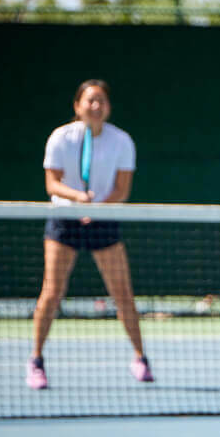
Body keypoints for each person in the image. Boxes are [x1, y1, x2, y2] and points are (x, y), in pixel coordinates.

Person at [27, 79, 153, 390]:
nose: (96, 106)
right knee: (52, 292)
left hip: (103, 218)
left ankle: (140, 358)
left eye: (101, 101)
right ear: (77, 106)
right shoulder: (60, 138)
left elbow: (122, 190)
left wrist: (95, 206)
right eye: (90, 100)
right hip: (64, 220)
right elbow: (52, 184)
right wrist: (77, 200)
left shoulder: (122, 141)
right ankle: (36, 360)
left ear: (108, 107)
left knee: (122, 293)